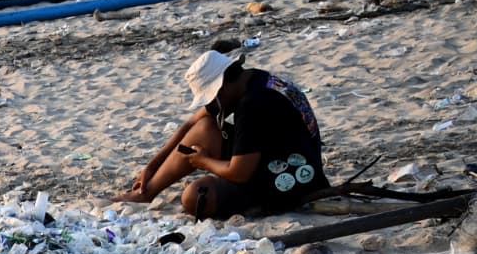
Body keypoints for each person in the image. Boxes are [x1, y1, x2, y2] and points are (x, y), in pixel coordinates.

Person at [115, 50, 329, 219]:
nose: (211, 104)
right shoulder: (255, 78)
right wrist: (151, 167)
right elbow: (192, 124)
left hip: (291, 179)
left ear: (222, 86)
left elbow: (239, 173)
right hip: (285, 155)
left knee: (193, 197)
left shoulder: (253, 105)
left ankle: (258, 205)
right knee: (204, 129)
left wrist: (203, 161)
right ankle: (147, 192)